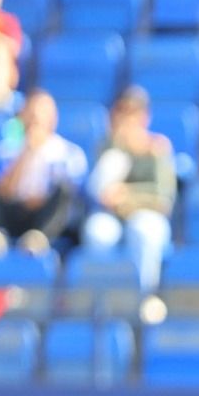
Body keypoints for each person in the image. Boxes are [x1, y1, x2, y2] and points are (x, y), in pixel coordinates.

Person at [81, 87, 177, 292]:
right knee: (98, 232)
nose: (128, 120)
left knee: (144, 230)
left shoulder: (157, 148)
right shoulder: (107, 148)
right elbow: (95, 190)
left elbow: (163, 198)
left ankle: (145, 297)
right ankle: (102, 300)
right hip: (112, 216)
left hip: (148, 215)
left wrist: (126, 196)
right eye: (122, 112)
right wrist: (117, 149)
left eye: (133, 113)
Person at [0, 90, 87, 257]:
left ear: (53, 118)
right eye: (31, 114)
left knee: (64, 189)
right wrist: (26, 153)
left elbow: (74, 194)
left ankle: (39, 239)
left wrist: (39, 198)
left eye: (41, 115)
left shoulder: (69, 153)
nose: (36, 120)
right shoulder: (6, 151)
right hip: (13, 211)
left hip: (45, 216)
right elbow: (2, 190)